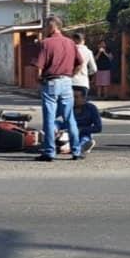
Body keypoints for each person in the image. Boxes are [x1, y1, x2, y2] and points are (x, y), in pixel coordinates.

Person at [34, 15, 83, 162]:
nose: (43, 29)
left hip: (51, 82)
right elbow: (80, 63)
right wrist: (70, 75)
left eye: (45, 26)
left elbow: (39, 68)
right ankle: (76, 151)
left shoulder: (46, 43)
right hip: (67, 82)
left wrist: (39, 80)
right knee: (70, 118)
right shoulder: (70, 43)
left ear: (52, 26)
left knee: (49, 118)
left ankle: (49, 152)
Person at [58, 87, 102, 154]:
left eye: (76, 97)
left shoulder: (91, 108)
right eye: (71, 97)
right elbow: (54, 117)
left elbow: (98, 128)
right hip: (67, 132)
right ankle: (59, 145)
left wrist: (80, 129)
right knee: (56, 124)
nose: (73, 100)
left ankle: (80, 148)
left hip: (82, 133)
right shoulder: (67, 106)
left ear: (84, 98)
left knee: (85, 139)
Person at [71, 32, 97, 98]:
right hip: (83, 82)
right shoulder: (88, 52)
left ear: (74, 40)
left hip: (70, 82)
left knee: (70, 106)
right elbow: (94, 69)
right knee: (82, 105)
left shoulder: (69, 50)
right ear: (83, 40)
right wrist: (86, 73)